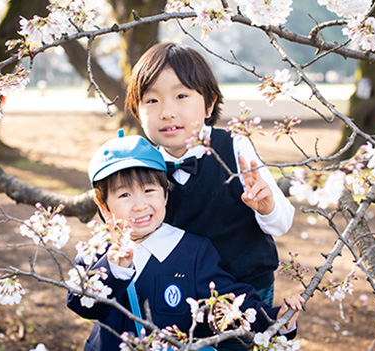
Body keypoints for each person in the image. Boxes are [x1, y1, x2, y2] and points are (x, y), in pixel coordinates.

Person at [67, 132, 304, 351]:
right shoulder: (97, 249)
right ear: (103, 205)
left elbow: (230, 300)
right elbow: (81, 304)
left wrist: (277, 320)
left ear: (165, 194)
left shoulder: (191, 251)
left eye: (149, 190)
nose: (139, 205)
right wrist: (114, 269)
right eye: (124, 195)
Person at [125, 42, 295, 307]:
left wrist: (266, 206)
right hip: (176, 292)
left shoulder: (233, 146)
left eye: (181, 96)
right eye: (152, 100)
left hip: (245, 287)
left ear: (209, 104)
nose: (167, 112)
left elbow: (281, 224)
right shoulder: (142, 163)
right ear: (137, 111)